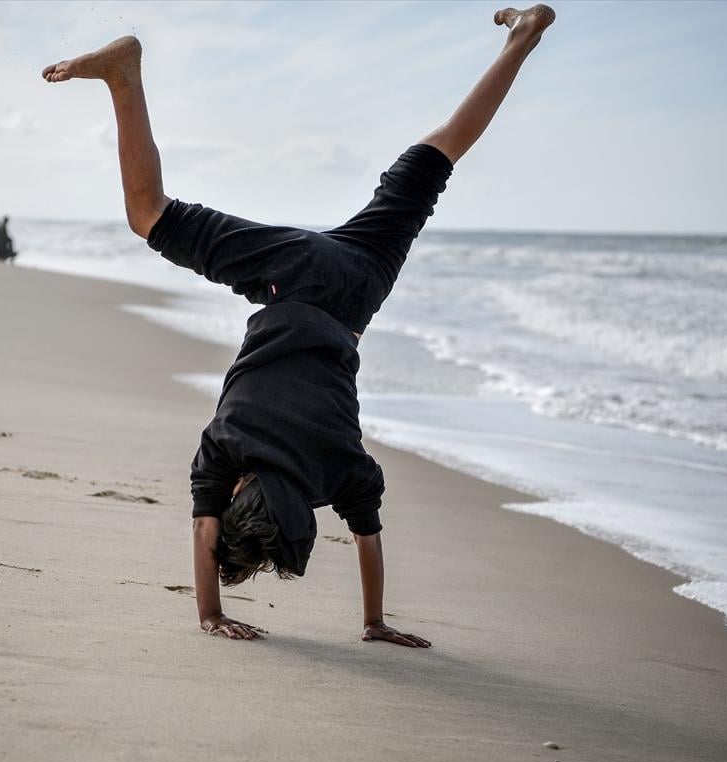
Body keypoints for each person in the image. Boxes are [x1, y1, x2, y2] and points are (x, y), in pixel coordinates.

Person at [41, 4, 555, 644]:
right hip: (292, 276)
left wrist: (375, 622)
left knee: (438, 154)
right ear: (241, 490)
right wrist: (211, 615)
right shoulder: (227, 449)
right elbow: (203, 529)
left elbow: (369, 541)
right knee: (150, 214)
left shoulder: (341, 469)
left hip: (360, 284)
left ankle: (524, 38)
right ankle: (124, 74)